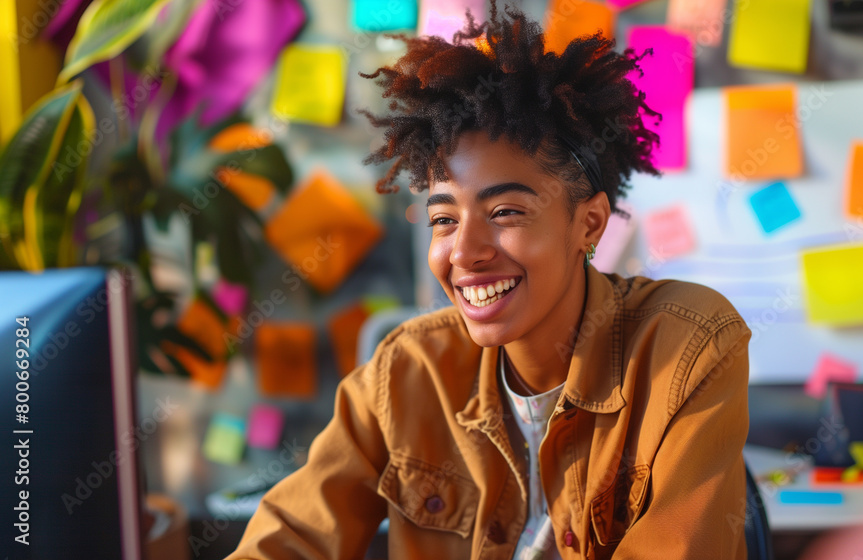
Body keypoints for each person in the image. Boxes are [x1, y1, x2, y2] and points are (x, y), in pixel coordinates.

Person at [227, 2, 750, 558]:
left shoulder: (687, 346)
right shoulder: (406, 372)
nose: (466, 253)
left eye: (505, 213)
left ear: (588, 222)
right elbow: (288, 539)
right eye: (444, 220)